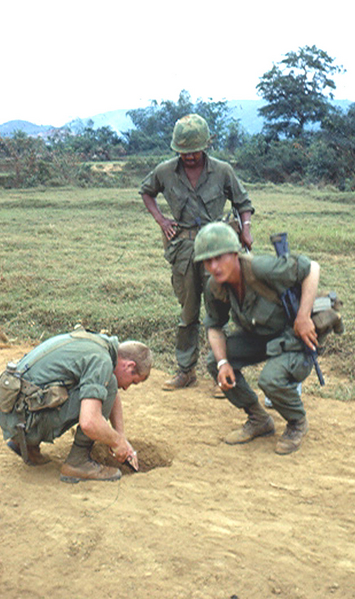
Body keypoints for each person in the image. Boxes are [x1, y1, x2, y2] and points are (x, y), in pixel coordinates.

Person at [139, 113, 254, 391]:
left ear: (205, 146)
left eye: (193, 152)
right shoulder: (165, 171)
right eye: (183, 152)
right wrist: (162, 220)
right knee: (188, 312)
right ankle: (185, 370)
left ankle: (223, 373)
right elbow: (146, 191)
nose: (188, 157)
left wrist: (246, 229)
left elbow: (243, 203)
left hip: (216, 248)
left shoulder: (223, 170)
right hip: (184, 248)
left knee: (219, 311)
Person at [193, 222, 320, 455]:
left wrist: (303, 316)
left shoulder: (261, 269)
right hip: (259, 337)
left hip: (291, 337)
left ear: (234, 253)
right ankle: (258, 419)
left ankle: (297, 422)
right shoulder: (215, 286)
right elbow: (214, 327)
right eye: (207, 261)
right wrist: (223, 363)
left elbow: (312, 268)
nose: (214, 266)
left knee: (270, 379)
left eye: (219, 258)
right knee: (215, 361)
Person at [0, 327, 152, 482]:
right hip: (24, 421)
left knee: (106, 384)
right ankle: (78, 462)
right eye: (133, 382)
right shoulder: (102, 360)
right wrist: (117, 442)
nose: (127, 388)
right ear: (130, 366)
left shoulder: (95, 343)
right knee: (108, 386)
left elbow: (112, 392)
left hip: (13, 414)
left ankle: (23, 443)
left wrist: (121, 436)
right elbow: (90, 422)